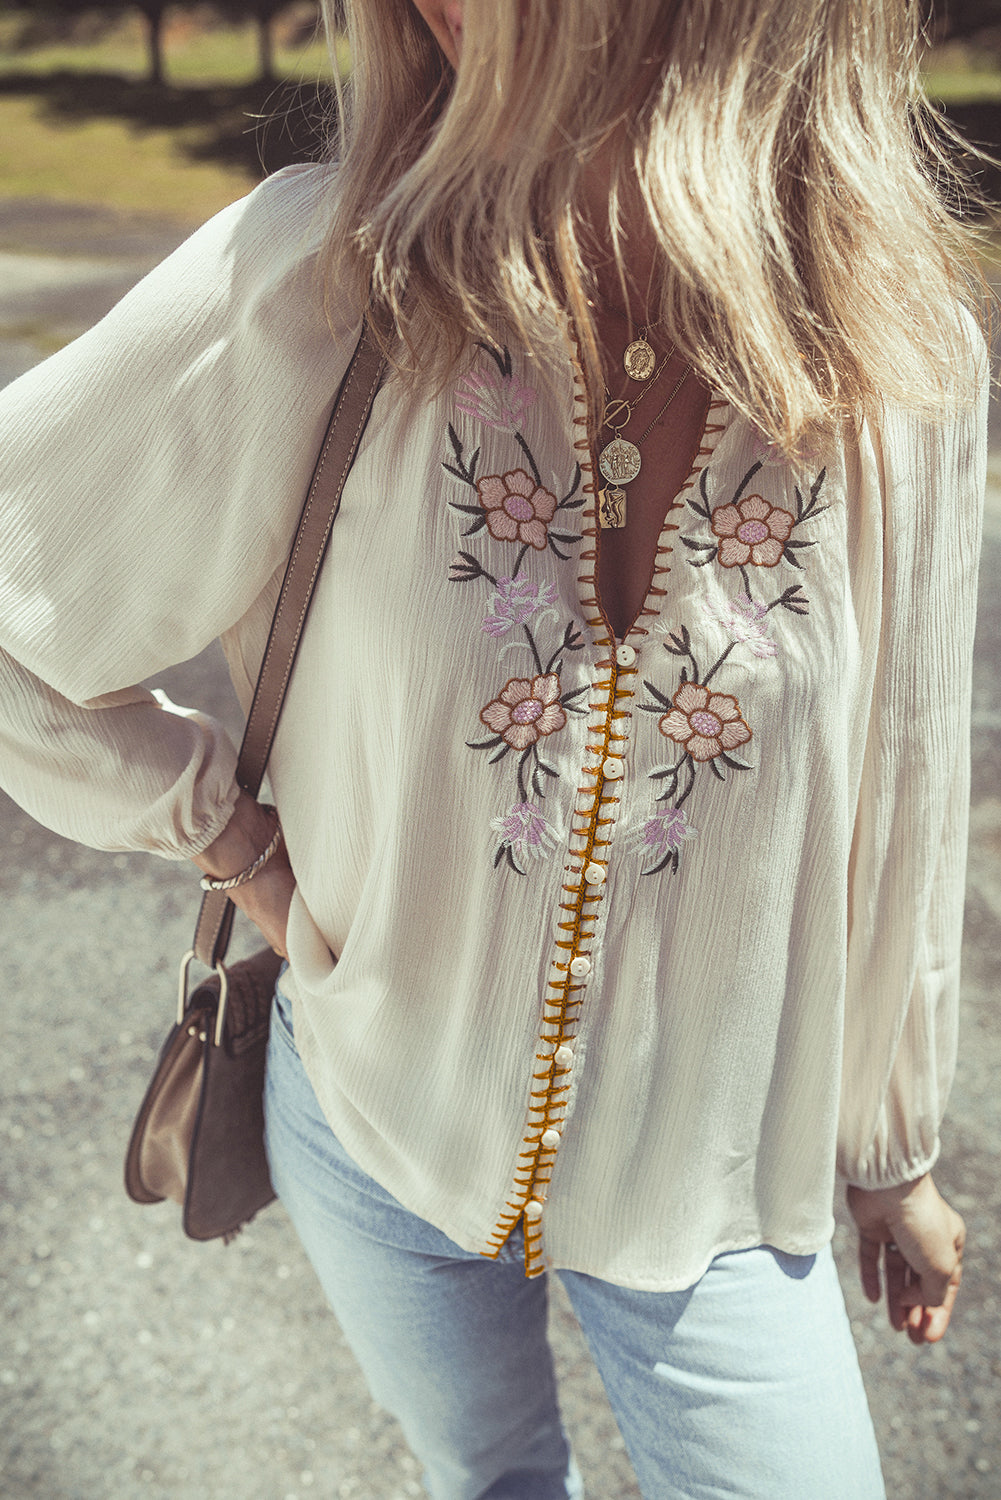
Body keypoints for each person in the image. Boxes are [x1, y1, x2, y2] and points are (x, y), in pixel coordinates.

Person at [0, 1, 986, 1495]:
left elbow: (906, 786)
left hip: (712, 1188)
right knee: (491, 1478)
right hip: (367, 1122)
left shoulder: (898, 358)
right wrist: (232, 843)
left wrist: (890, 1146)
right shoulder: (327, 280)